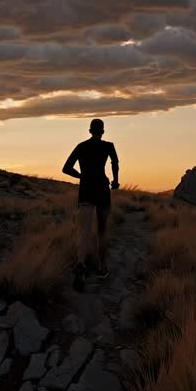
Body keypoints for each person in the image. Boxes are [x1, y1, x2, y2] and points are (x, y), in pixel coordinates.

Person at [62, 118, 119, 291]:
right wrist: (115, 182)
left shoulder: (81, 146)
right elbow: (115, 164)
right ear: (102, 131)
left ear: (89, 131)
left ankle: (81, 265)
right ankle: (102, 268)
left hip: (86, 190)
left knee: (84, 231)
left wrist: (82, 176)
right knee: (101, 230)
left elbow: (66, 168)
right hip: (102, 189)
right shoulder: (108, 146)